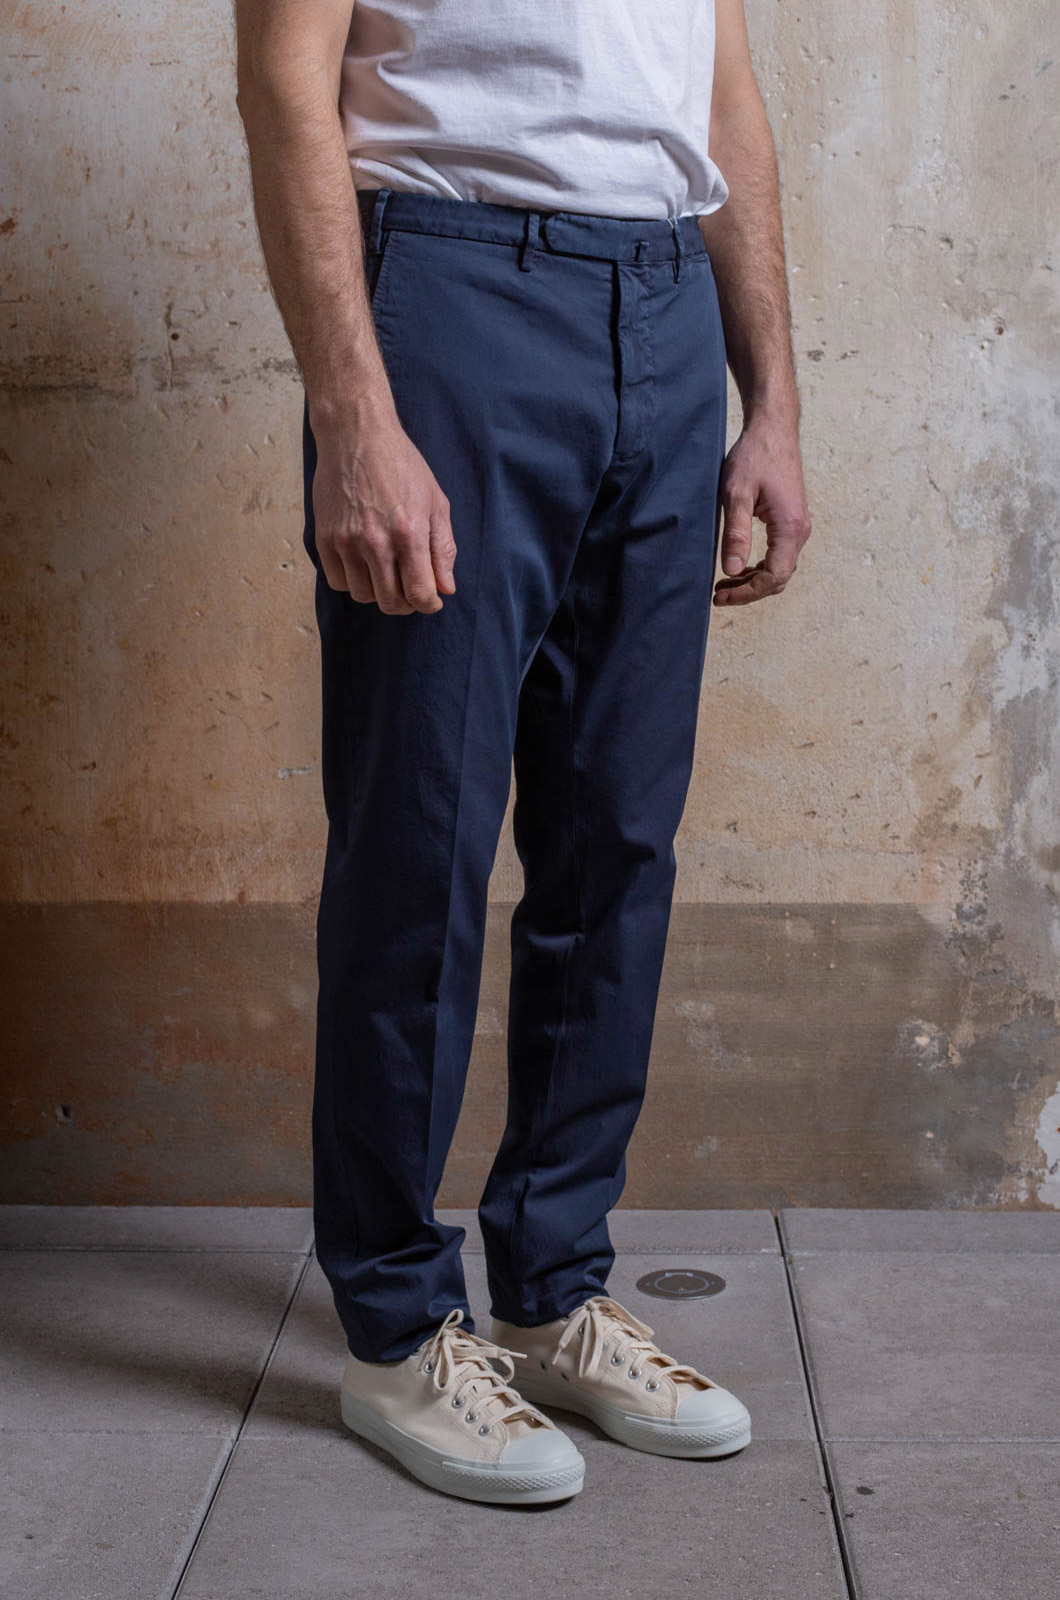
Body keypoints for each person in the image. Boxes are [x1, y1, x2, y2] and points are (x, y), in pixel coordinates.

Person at [234, 0, 812, 1507]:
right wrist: (355, 417)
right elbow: (287, 85)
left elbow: (724, 100)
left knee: (618, 839)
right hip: (449, 288)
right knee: (419, 840)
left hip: (665, 305)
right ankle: (395, 1327)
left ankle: (554, 1295)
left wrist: (773, 401)